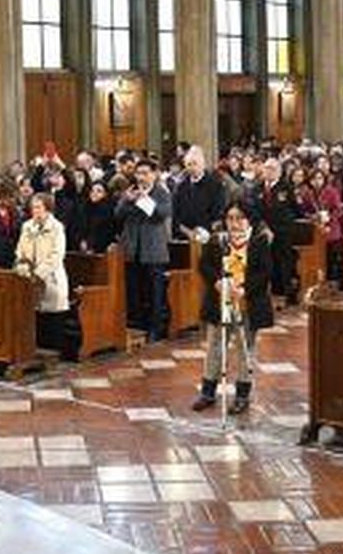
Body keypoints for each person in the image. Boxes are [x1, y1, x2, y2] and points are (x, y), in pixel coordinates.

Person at [192, 203, 272, 415]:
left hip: (248, 302)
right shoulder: (217, 239)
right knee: (215, 346)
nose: (234, 223)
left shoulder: (258, 241)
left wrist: (244, 289)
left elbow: (264, 272)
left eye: (239, 218)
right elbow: (204, 265)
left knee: (245, 349)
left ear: (249, 220)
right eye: (230, 218)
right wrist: (217, 282)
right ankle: (208, 392)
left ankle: (242, 395)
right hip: (220, 301)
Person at [116, 159, 173, 341]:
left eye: (145, 173)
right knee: (135, 291)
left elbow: (161, 214)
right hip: (133, 249)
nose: (141, 177)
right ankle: (137, 326)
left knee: (154, 292)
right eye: (138, 173)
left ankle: (155, 329)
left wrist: (142, 200)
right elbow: (117, 214)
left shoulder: (161, 192)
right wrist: (127, 200)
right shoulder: (130, 192)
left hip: (154, 250)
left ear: (154, 174)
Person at [15, 193, 75, 359]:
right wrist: (23, 266)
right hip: (30, 278)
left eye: (39, 207)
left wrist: (39, 273)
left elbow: (57, 255)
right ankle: (38, 350)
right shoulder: (27, 226)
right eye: (33, 207)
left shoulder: (57, 227)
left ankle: (55, 352)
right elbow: (20, 249)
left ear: (47, 209)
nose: (35, 211)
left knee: (53, 315)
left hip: (51, 278)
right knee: (36, 314)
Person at [247, 157, 300, 306]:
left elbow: (295, 210)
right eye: (267, 168)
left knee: (282, 263)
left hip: (282, 232)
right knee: (263, 263)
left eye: (272, 169)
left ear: (279, 171)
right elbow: (252, 211)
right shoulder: (256, 188)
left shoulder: (286, 188)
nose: (269, 172)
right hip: (262, 232)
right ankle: (264, 295)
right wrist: (263, 227)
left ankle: (285, 294)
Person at [171, 145, 225, 239]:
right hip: (185, 236)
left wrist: (203, 231)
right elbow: (175, 215)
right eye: (189, 164)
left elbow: (218, 213)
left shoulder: (215, 185)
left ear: (203, 164)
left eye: (195, 164)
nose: (192, 168)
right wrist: (188, 232)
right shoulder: (180, 187)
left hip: (208, 235)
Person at [76, 180, 118, 254]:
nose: (94, 193)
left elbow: (107, 234)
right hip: (82, 249)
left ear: (105, 194)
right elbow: (78, 228)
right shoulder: (83, 207)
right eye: (92, 190)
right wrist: (81, 241)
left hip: (100, 251)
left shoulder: (108, 210)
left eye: (99, 191)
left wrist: (93, 247)